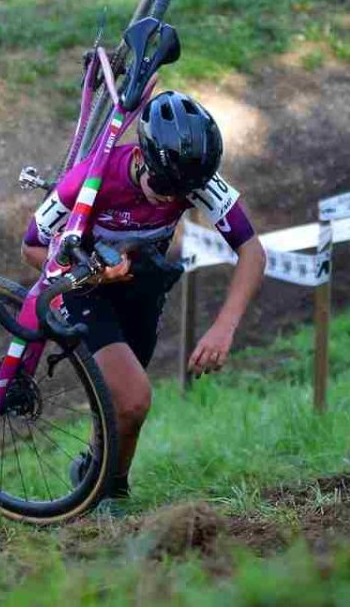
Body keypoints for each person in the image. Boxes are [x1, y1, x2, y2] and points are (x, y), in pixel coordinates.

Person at [21, 91, 266, 513]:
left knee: (126, 412)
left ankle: (95, 475)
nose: (171, 199)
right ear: (142, 159)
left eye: (181, 194)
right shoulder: (92, 179)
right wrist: (92, 272)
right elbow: (32, 249)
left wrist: (224, 326)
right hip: (86, 290)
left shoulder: (190, 175)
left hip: (140, 288)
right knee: (134, 398)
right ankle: (109, 501)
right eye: (163, 189)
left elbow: (251, 250)